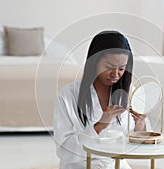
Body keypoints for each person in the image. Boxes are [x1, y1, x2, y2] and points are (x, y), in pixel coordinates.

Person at [53, 30, 151, 169]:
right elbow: (64, 151)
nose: (116, 74)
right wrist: (99, 126)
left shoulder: (131, 93)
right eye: (109, 67)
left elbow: (135, 150)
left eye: (122, 68)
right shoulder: (68, 96)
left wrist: (139, 128)